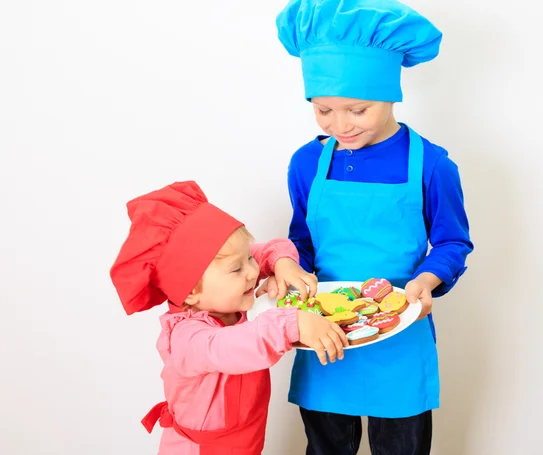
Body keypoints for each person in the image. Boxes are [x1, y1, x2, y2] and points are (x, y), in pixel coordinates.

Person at [275, 1, 474, 453]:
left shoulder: (432, 164)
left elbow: (452, 241)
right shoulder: (307, 162)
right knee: (325, 446)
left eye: (357, 110)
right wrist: (290, 270)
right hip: (325, 331)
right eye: (323, 111)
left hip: (400, 332)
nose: (340, 125)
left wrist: (427, 279)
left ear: (391, 95)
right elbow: (301, 240)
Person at [109, 180, 348, 455]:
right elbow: (233, 345)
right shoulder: (186, 338)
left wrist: (282, 263)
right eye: (237, 268)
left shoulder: (223, 293)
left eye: (248, 259)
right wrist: (293, 323)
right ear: (190, 291)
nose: (251, 271)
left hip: (246, 442)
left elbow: (267, 249)